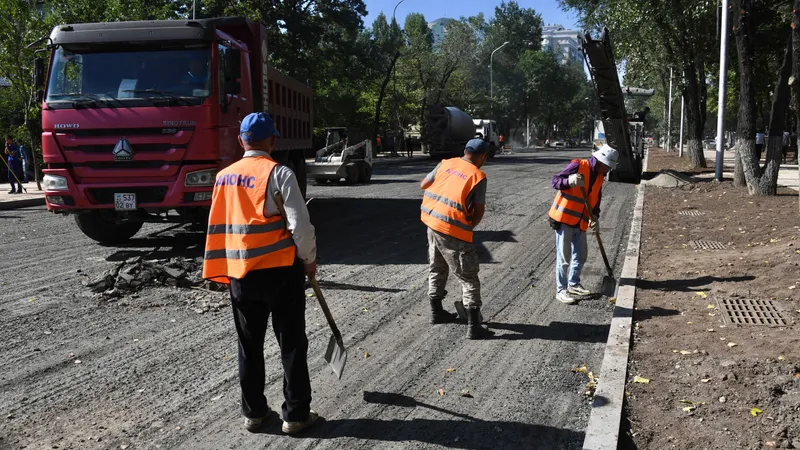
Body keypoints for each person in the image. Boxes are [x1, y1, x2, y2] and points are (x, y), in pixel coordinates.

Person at [202, 112, 319, 435]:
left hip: (241, 274)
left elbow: (221, 225)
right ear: (273, 141)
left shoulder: (224, 177)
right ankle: (295, 416)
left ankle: (253, 413)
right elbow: (301, 226)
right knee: (292, 344)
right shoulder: (279, 174)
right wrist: (309, 260)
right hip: (281, 272)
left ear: (241, 140)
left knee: (249, 346)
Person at [420, 138, 493, 339]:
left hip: (431, 222)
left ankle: (436, 312)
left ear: (465, 150)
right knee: (468, 277)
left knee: (437, 266)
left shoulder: (446, 163)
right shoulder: (477, 176)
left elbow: (424, 184)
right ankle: (473, 326)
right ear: (482, 156)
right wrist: (467, 228)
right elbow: (478, 211)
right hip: (453, 230)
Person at [549, 144, 619, 305]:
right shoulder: (578, 165)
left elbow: (596, 198)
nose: (608, 170)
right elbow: (555, 181)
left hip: (580, 221)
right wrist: (569, 181)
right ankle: (561, 290)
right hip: (564, 219)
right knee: (564, 258)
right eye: (608, 167)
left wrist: (595, 217)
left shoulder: (600, 176)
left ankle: (573, 284)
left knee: (581, 255)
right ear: (602, 162)